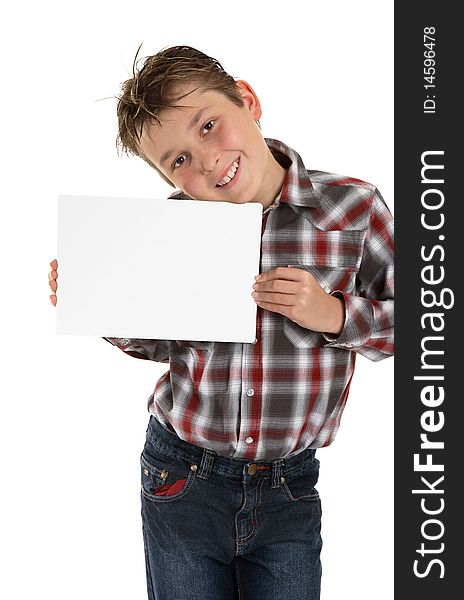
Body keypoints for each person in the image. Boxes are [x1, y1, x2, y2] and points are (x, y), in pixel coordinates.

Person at [48, 45, 394, 600]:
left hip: (290, 487)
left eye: (209, 126)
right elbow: (161, 343)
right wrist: (102, 303)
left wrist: (333, 313)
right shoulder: (174, 229)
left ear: (248, 100)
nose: (206, 161)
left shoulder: (351, 209)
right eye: (178, 160)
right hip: (182, 476)